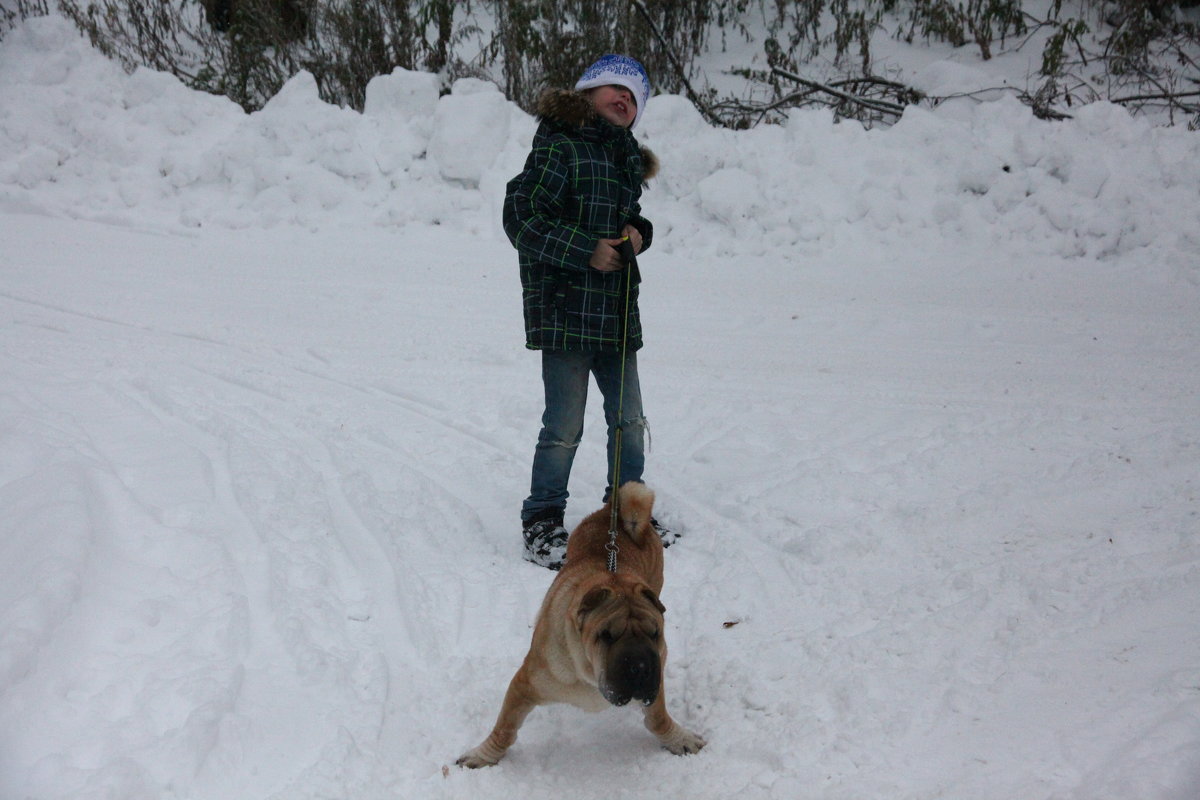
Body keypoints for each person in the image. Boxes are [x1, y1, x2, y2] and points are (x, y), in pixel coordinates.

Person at [503, 54, 666, 569]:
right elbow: (522, 217)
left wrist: (639, 234)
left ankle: (626, 513)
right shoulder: (560, 146)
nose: (624, 99)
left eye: (634, 97)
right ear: (587, 94)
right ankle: (543, 517)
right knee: (563, 426)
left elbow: (625, 217)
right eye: (615, 88)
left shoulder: (623, 158)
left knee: (630, 420)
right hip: (565, 311)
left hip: (616, 315)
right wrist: (584, 249)